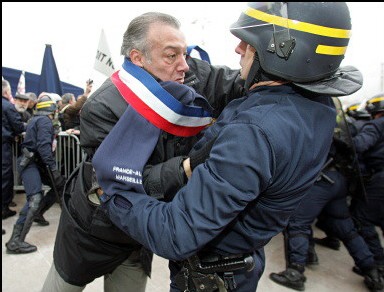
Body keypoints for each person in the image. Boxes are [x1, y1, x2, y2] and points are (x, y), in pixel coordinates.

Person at [92, 3, 364, 291]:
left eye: (249, 43)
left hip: (212, 276)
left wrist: (112, 195)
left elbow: (175, 233)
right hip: (244, 260)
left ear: (283, 51)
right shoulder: (317, 107)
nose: (238, 48)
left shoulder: (253, 131)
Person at [42, 12, 244, 292]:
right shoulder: (102, 106)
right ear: (138, 58)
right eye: (171, 56)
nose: (184, 65)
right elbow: (125, 182)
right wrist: (188, 166)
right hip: (93, 231)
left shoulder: (189, 73)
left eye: (184, 53)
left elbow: (236, 82)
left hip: (140, 231)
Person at [269, 140, 383, 291]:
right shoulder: (325, 123)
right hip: (337, 179)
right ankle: (371, 271)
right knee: (344, 226)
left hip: (320, 180)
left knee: (297, 223)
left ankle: (294, 273)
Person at [5, 95, 66, 254]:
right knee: (35, 199)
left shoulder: (35, 119)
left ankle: (38, 213)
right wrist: (53, 170)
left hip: (35, 162)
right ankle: (15, 241)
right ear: (52, 111)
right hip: (32, 162)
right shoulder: (45, 122)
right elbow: (44, 148)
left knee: (58, 185)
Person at [348, 93, 384, 279]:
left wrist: (342, 139)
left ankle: (378, 264)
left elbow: (359, 145)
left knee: (361, 219)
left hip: (379, 179)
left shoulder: (377, 125)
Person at [2, 79, 25, 219]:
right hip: (4, 144)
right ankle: (4, 208)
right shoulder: (7, 106)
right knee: (5, 175)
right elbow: (18, 126)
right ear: (6, 91)